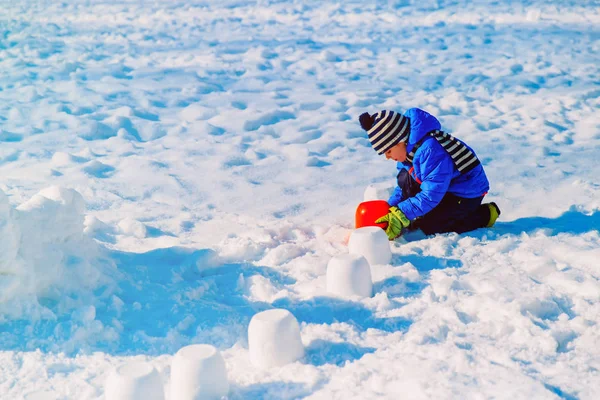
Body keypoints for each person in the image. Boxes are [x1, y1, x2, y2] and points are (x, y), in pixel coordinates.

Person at [358, 108, 500, 240]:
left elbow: (432, 194)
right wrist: (390, 208)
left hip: (465, 193)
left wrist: (402, 212)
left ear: (400, 140)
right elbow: (403, 187)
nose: (387, 157)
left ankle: (485, 214)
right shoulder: (408, 152)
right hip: (442, 186)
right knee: (404, 177)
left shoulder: (431, 150)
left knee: (431, 225)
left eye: (388, 151)